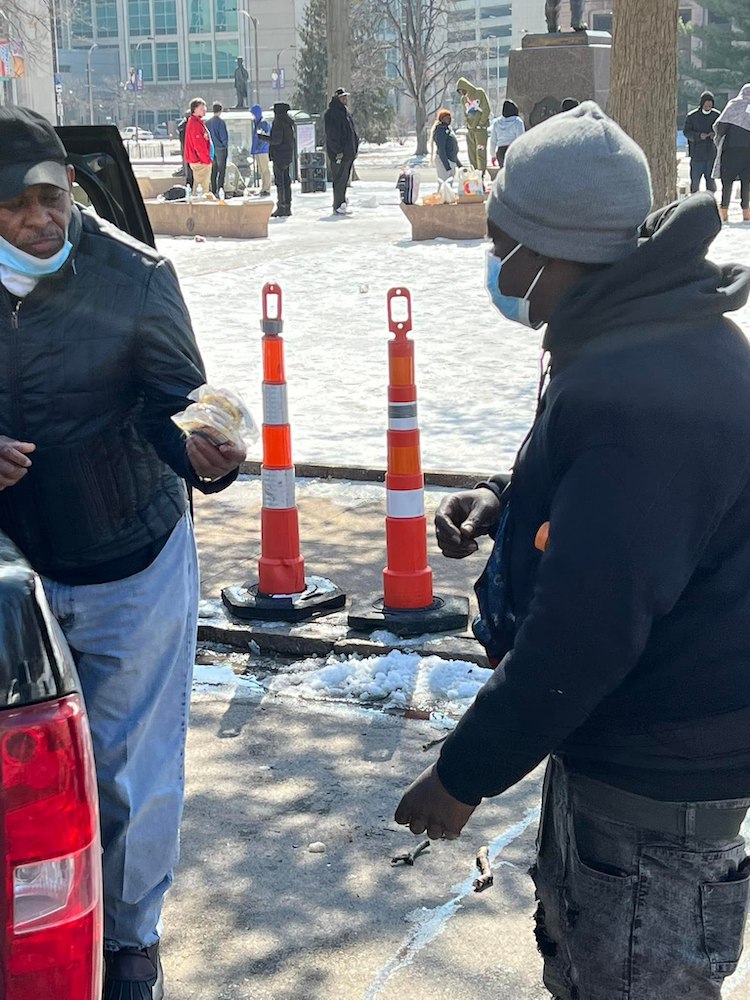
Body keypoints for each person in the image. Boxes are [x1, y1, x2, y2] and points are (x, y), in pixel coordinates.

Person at [395, 102, 750, 1000]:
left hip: (656, 781)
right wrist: (507, 499)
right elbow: (607, 501)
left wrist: (462, 776)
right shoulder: (633, 332)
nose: (495, 266)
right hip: (623, 749)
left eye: (500, 244)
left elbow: (586, 631)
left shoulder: (647, 386)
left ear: (551, 250)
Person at [0, 106, 246, 999]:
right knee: (25, 777)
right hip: (14, 573)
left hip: (129, 557)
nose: (41, 219)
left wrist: (207, 454)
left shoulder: (136, 277)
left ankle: (132, 944)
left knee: (129, 771)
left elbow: (177, 404)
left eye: (51, 197)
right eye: (17, 205)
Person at [713, 83, 750, 222]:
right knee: (746, 184)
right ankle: (746, 213)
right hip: (748, 152)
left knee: (727, 183)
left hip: (730, 151)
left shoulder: (733, 105)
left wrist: (718, 139)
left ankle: (724, 212)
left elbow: (721, 127)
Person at [324, 87, 359, 216]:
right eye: (342, 97)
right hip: (339, 154)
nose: (345, 99)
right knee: (339, 180)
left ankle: (342, 203)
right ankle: (338, 204)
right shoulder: (331, 114)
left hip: (349, 153)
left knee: (344, 180)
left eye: (345, 97)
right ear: (336, 98)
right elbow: (332, 135)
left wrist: (355, 146)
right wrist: (338, 151)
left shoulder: (345, 112)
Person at [683, 91, 719, 195]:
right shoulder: (692, 116)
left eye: (710, 104)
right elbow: (687, 132)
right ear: (702, 103)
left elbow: (722, 131)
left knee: (711, 183)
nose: (708, 106)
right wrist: (698, 136)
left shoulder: (716, 115)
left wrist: (715, 134)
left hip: (711, 154)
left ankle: (711, 199)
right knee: (695, 182)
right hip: (697, 154)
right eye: (706, 104)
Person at [456, 77, 491, 173]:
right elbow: (465, 113)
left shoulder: (479, 93)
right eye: (460, 92)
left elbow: (486, 109)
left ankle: (481, 172)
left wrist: (481, 123)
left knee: (480, 151)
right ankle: (474, 171)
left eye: (463, 90)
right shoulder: (463, 99)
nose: (462, 93)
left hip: (480, 130)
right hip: (470, 130)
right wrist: (468, 124)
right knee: (471, 152)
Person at [269, 101, 294, 217]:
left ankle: (281, 206)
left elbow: (276, 140)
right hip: (287, 155)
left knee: (280, 182)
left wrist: (263, 137)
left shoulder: (278, 122)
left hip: (279, 155)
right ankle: (287, 206)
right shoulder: (288, 122)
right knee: (286, 181)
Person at [183, 97, 212, 196]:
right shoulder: (195, 124)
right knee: (202, 188)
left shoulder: (196, 122)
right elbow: (199, 145)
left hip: (199, 159)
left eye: (204, 107)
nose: (204, 110)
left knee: (200, 186)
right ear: (194, 110)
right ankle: (200, 204)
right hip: (200, 161)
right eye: (201, 108)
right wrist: (206, 160)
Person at [489, 100, 525, 168]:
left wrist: (493, 155)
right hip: (512, 150)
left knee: (503, 172)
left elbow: (493, 141)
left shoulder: (497, 123)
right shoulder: (518, 121)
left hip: (500, 152)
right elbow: (520, 139)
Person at [432, 108, 461, 184]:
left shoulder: (449, 130)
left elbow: (452, 149)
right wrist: (447, 166)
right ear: (441, 119)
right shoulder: (440, 131)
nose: (448, 120)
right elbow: (441, 149)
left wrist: (459, 165)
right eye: (446, 118)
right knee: (444, 184)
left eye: (449, 118)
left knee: (449, 185)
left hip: (451, 160)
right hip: (444, 161)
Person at [206, 101, 229, 195]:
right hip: (220, 149)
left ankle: (213, 190)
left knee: (213, 171)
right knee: (221, 170)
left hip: (211, 149)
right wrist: (225, 146)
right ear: (221, 110)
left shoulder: (207, 122)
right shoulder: (221, 122)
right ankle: (221, 190)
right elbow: (224, 136)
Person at [251, 103, 272, 196]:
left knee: (265, 170)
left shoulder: (263, 123)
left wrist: (258, 148)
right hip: (259, 150)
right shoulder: (258, 123)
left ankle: (267, 189)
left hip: (262, 150)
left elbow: (264, 137)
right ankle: (264, 188)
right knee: (262, 170)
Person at [175, 108, 193, 185]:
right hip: (188, 147)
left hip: (185, 147)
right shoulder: (188, 125)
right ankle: (189, 182)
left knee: (188, 166)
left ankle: (189, 182)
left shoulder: (182, 125)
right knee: (189, 167)